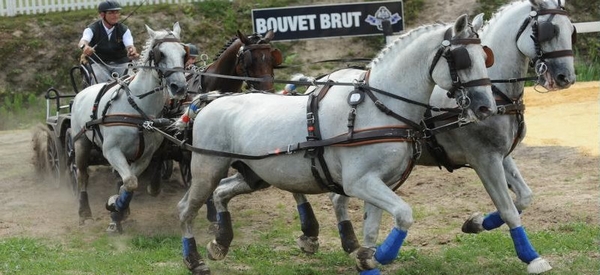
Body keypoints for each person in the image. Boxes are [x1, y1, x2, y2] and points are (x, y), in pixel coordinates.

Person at [78, 0, 139, 84]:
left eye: (117, 12)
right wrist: (85, 47)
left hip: (120, 63)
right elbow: (83, 41)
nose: (116, 15)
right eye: (111, 13)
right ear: (102, 15)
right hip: (99, 64)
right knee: (98, 77)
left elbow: (130, 45)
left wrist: (132, 51)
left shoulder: (124, 29)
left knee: (131, 77)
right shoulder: (92, 29)